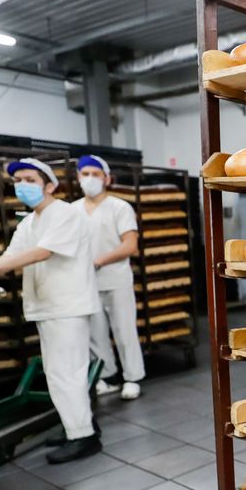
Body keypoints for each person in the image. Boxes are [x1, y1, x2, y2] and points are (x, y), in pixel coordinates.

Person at [0, 158, 102, 464]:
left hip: (67, 305)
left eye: (30, 179)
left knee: (67, 373)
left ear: (50, 185)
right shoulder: (29, 222)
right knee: (59, 373)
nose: (22, 185)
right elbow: (12, 255)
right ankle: (78, 427)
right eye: (19, 180)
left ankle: (84, 438)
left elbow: (43, 252)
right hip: (46, 306)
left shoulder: (65, 213)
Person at [73, 155, 144, 400]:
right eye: (85, 174)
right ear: (78, 178)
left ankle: (132, 378)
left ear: (107, 178)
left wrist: (100, 260)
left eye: (95, 174)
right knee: (96, 334)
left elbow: (130, 245)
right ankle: (107, 376)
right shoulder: (72, 210)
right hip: (86, 282)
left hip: (116, 279)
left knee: (124, 331)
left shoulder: (119, 207)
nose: (90, 179)